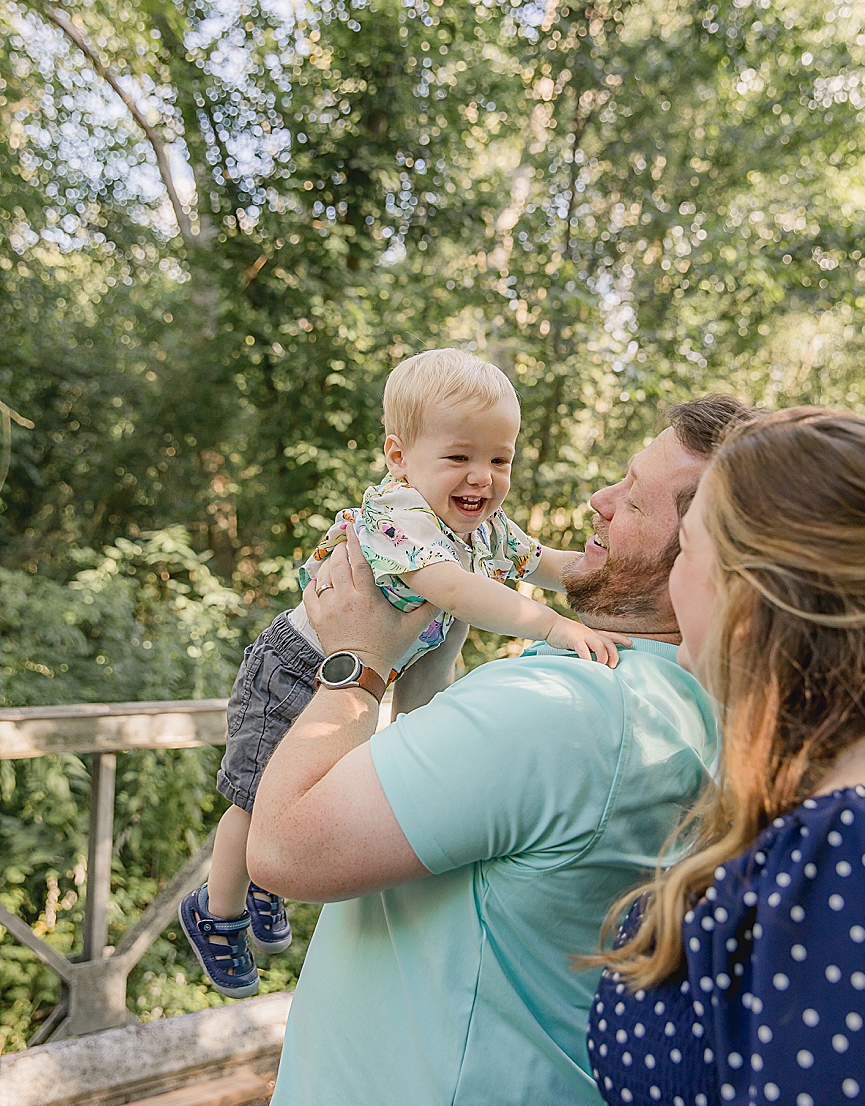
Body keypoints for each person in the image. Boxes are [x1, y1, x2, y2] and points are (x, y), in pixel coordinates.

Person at [247, 395, 752, 1106]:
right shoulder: (708, 705)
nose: (599, 500)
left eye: (632, 498)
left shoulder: (562, 711)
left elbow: (282, 849)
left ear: (698, 553)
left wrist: (357, 658)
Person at [180, 349, 626, 997]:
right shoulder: (400, 517)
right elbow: (453, 590)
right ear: (399, 457)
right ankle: (216, 911)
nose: (482, 477)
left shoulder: (485, 529)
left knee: (311, 791)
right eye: (459, 456)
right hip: (295, 666)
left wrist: (607, 571)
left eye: (499, 460)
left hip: (365, 677)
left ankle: (260, 881)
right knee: (254, 801)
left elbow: (546, 562)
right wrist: (553, 625)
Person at [586, 408, 865, 1106]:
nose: (672, 577)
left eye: (686, 548)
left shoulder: (846, 852)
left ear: (744, 604)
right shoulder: (820, 810)